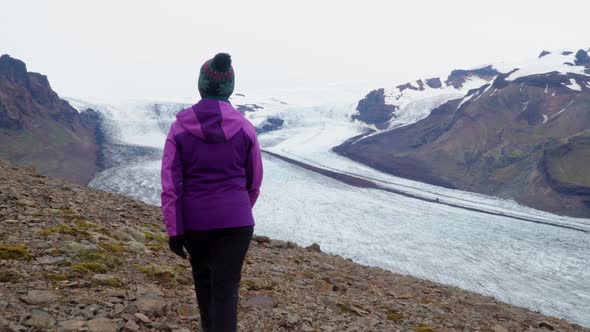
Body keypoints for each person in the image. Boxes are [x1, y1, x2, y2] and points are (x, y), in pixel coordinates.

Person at [160, 53, 263, 332]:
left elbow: (170, 183)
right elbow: (254, 182)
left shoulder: (180, 127)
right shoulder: (245, 128)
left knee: (204, 285)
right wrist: (237, 207)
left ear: (201, 85)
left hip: (196, 222)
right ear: (229, 87)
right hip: (237, 222)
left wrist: (174, 228)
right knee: (226, 291)